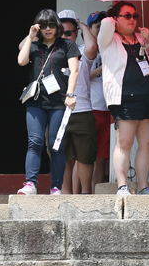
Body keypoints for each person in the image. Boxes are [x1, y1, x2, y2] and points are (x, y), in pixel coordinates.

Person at [99, 1, 149, 196]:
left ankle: (143, 186)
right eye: (127, 15)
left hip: (148, 96)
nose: (133, 19)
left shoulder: (142, 39)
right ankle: (122, 186)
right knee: (124, 143)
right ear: (116, 19)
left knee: (147, 144)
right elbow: (106, 24)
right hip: (124, 96)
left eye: (135, 16)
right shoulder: (109, 39)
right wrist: (114, 14)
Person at [17, 9, 79, 195]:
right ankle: (30, 183)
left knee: (55, 144)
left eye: (52, 24)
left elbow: (74, 71)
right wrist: (30, 37)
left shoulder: (67, 45)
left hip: (59, 101)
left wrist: (70, 94)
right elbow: (21, 61)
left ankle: (56, 186)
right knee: (34, 142)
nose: (48, 29)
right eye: (43, 25)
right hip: (35, 101)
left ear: (57, 26)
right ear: (38, 27)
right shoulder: (34, 45)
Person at [58, 10, 98, 195]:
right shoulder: (50, 51)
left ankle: (85, 193)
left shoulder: (82, 50)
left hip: (82, 111)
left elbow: (92, 45)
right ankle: (64, 193)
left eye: (69, 32)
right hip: (57, 111)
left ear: (76, 33)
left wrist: (81, 24)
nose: (65, 36)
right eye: (61, 32)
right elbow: (22, 47)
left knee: (85, 157)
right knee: (61, 157)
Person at [87, 11, 111, 193]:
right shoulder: (83, 50)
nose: (101, 30)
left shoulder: (112, 48)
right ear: (89, 29)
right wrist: (102, 68)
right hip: (89, 109)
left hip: (109, 109)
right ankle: (83, 194)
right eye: (97, 27)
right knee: (85, 157)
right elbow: (80, 78)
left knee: (102, 158)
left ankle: (97, 194)